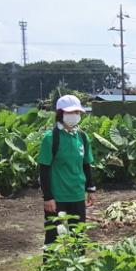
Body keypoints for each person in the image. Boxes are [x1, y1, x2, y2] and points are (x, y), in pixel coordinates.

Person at [38, 94, 96, 246]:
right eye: (71, 112)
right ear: (60, 113)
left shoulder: (82, 137)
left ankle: (78, 268)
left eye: (77, 112)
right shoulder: (51, 138)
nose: (75, 116)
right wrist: (48, 197)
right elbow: (43, 169)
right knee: (54, 237)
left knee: (79, 237)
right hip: (57, 197)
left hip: (77, 194)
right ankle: (50, 269)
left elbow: (86, 164)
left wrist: (90, 189)